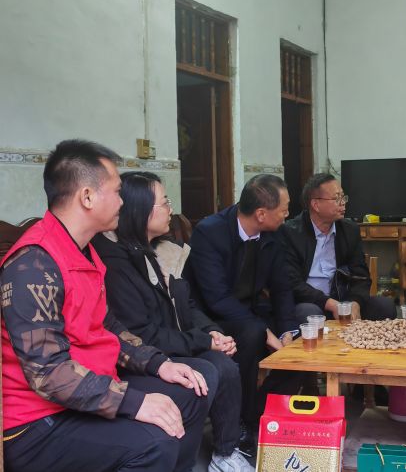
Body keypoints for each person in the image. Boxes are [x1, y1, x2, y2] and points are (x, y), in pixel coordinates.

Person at [0, 140, 210, 472]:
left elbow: (108, 328)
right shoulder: (33, 265)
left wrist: (159, 364)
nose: (123, 202)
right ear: (87, 197)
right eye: (116, 192)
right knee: (155, 443)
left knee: (192, 390)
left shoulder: (84, 251)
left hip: (89, 391)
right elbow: (49, 374)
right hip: (36, 422)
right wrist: (133, 402)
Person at [92, 171, 253, 472]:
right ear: (140, 211)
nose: (170, 210)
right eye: (164, 203)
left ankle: (225, 453)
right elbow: (140, 334)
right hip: (145, 353)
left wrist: (212, 332)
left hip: (174, 341)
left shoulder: (158, 252)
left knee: (226, 362)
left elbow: (187, 304)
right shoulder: (116, 263)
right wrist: (203, 341)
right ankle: (187, 461)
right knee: (209, 369)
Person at [188, 173, 302, 439]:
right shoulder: (209, 232)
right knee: (253, 333)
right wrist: (265, 331)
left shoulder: (275, 233)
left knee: (301, 339)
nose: (287, 215)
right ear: (261, 214)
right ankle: (244, 421)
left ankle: (260, 412)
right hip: (212, 318)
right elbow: (216, 298)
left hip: (251, 310)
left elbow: (282, 287)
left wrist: (287, 332)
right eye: (284, 210)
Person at [281, 173, 396, 325]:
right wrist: (329, 303)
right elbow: (293, 283)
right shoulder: (291, 233)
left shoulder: (349, 230)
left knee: (384, 306)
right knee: (310, 314)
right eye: (336, 198)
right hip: (308, 302)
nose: (343, 203)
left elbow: (361, 276)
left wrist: (355, 302)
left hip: (342, 300)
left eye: (343, 197)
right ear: (316, 205)